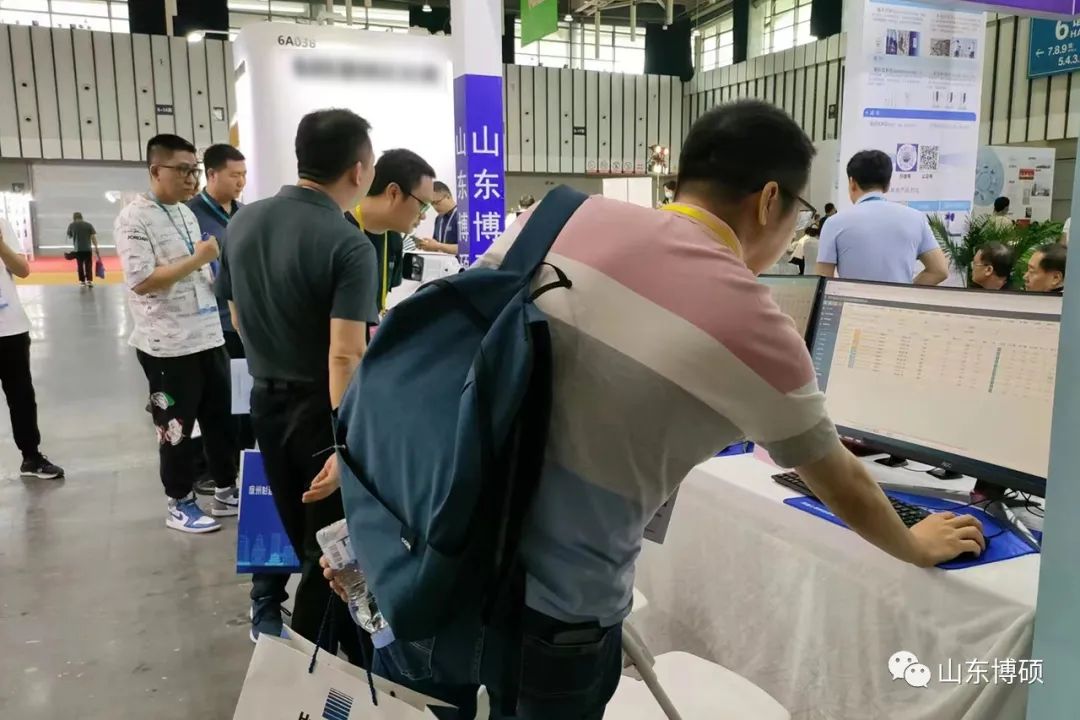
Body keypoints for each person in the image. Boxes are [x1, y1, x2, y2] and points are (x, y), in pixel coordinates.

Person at [323, 100, 985, 718]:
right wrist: (913, 543)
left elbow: (451, 369)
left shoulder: (555, 216)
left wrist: (367, 508)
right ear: (769, 200)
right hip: (556, 620)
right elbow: (843, 481)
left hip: (428, 561)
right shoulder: (754, 320)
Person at [220, 109, 380, 661]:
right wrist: (346, 440)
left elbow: (237, 316)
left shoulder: (243, 222)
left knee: (304, 540)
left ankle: (332, 661)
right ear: (359, 170)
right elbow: (345, 353)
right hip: (321, 414)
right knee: (333, 554)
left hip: (266, 404)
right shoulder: (348, 242)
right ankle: (317, 673)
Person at [114, 134, 238, 534]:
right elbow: (142, 281)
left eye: (194, 170)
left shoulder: (185, 212)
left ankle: (225, 488)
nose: (191, 178)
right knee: (176, 429)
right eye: (183, 170)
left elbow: (201, 269)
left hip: (209, 334)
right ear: (156, 170)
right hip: (168, 345)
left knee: (221, 421)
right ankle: (180, 502)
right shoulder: (133, 218)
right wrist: (199, 258)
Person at [186, 144, 253, 451]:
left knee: (245, 397)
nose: (241, 182)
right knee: (220, 401)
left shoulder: (246, 214)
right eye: (234, 175)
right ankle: (221, 462)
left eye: (244, 174)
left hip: (246, 324)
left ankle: (244, 458)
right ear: (211, 174)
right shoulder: (190, 216)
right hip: (211, 325)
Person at [816, 150, 949, 285]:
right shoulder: (916, 219)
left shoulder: (834, 223)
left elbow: (823, 280)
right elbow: (939, 270)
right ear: (887, 185)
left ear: (852, 183)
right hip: (898, 298)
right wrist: (906, 291)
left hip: (850, 299)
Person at [0, 215, 63, 480]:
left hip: (10, 327)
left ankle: (31, 457)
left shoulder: (1, 223)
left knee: (22, 396)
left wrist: (1, 246)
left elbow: (23, 270)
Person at [350, 148, 437, 318]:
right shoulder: (337, 233)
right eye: (423, 205)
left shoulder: (394, 239)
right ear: (393, 193)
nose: (424, 216)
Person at [416, 181, 459, 255]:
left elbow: (465, 248)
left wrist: (438, 246)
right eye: (432, 204)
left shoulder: (461, 217)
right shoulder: (438, 219)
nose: (435, 207)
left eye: (437, 202)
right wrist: (428, 246)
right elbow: (436, 246)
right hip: (441, 261)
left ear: (448, 197)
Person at [67, 212, 98, 288]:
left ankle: (82, 282)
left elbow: (69, 236)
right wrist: (96, 247)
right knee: (88, 265)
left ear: (74, 218)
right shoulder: (88, 225)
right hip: (87, 249)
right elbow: (93, 237)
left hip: (78, 249)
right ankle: (89, 281)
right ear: (81, 217)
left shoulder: (72, 225)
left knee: (80, 266)